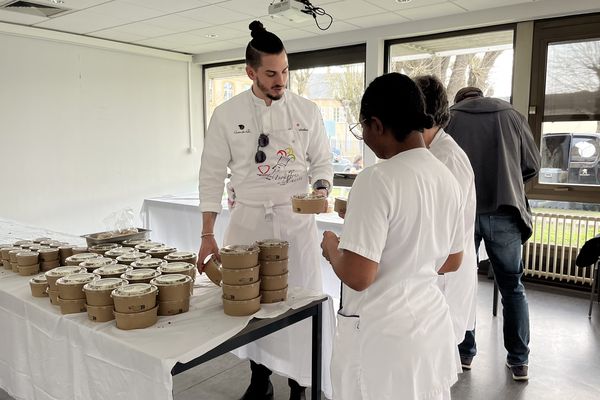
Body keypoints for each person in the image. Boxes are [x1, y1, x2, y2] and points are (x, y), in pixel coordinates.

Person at [197, 21, 334, 400]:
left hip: (296, 223)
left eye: (285, 71)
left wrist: (321, 186)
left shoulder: (306, 111)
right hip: (248, 223)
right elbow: (210, 177)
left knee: (301, 300)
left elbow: (322, 163)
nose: (280, 80)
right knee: (251, 305)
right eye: (271, 73)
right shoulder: (226, 114)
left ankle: (299, 383)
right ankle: (260, 379)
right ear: (250, 72)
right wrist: (207, 235)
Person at [321, 72, 464, 400]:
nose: (366, 140)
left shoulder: (376, 178)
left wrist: (332, 248)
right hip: (429, 327)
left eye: (363, 130)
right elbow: (453, 260)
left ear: (377, 124)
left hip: (384, 339)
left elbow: (358, 276)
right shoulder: (445, 176)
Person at [446, 86, 541, 381]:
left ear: (460, 100)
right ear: (482, 95)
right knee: (512, 287)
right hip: (505, 209)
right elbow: (532, 165)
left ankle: (464, 353)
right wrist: (508, 178)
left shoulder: (449, 119)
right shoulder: (511, 115)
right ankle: (519, 361)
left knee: (462, 283)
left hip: (463, 213)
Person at [415, 75, 478, 360]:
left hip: (444, 274)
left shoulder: (446, 158)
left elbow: (438, 227)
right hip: (437, 271)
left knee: (434, 358)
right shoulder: (432, 151)